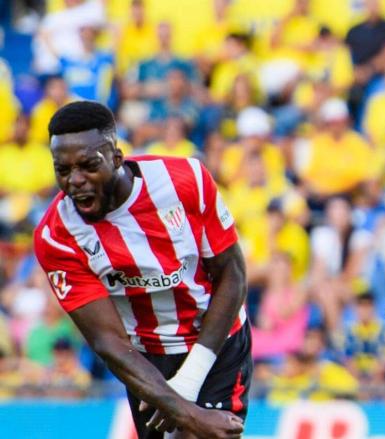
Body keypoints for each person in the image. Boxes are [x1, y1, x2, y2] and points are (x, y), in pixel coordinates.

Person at [33, 101, 251, 439]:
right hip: (145, 362)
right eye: (62, 170)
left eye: (88, 166)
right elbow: (108, 342)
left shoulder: (185, 180)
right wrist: (180, 405)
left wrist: (190, 388)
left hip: (215, 339)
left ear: (117, 158)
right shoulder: (56, 236)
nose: (75, 181)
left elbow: (233, 275)